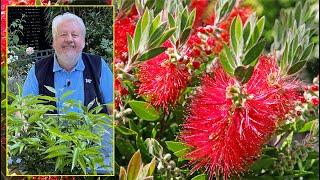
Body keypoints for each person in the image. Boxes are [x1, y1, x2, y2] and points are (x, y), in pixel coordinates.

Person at [22, 12, 113, 174]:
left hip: (95, 159)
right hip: (52, 158)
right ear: (54, 41)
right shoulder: (37, 70)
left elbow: (114, 106)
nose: (69, 39)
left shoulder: (98, 66)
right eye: (63, 35)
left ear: (83, 42)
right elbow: (23, 110)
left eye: (75, 35)